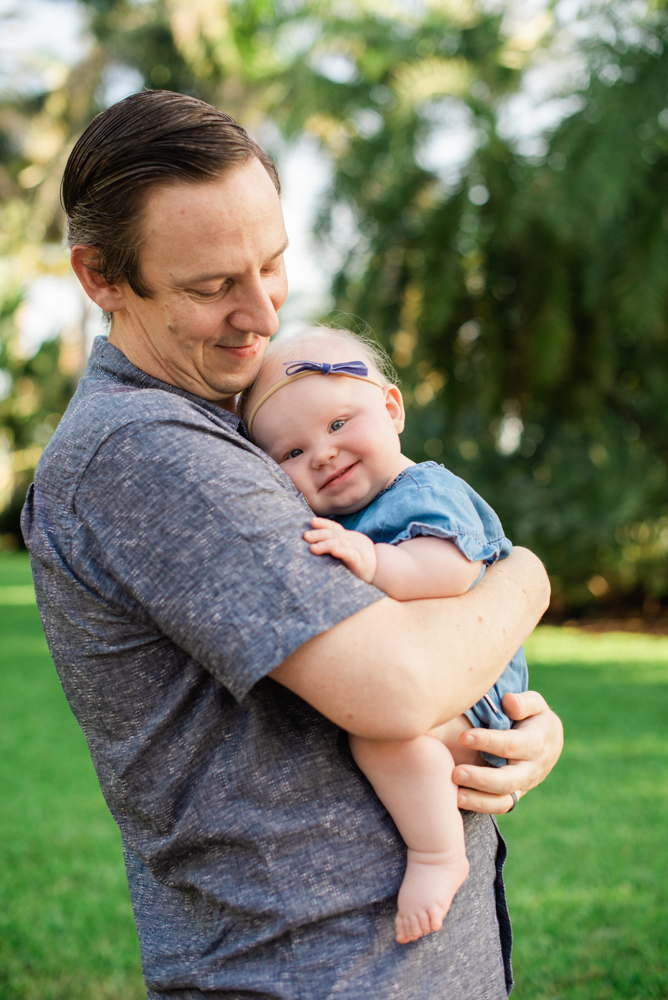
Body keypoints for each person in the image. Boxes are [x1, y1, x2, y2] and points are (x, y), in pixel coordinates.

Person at [21, 90, 562, 1000]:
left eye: (272, 264)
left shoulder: (238, 422)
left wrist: (508, 717)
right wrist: (526, 578)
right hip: (312, 970)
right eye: (209, 287)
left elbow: (414, 645)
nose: (262, 314)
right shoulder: (151, 451)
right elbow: (394, 688)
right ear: (101, 278)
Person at [244, 326, 529, 946]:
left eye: (340, 423)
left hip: (472, 697)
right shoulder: (345, 518)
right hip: (456, 689)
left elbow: (452, 569)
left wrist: (373, 562)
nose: (321, 453)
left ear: (392, 408)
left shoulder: (425, 492)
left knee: (380, 738)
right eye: (290, 454)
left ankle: (435, 855)